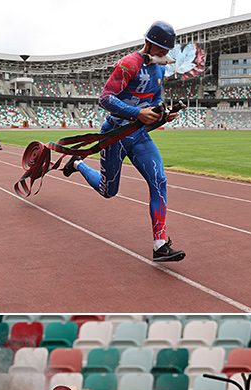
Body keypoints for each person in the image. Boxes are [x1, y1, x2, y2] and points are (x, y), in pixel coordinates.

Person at [62, 21, 185, 263]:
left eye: (167, 51)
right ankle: (77, 164)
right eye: (161, 50)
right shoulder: (128, 64)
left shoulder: (160, 70)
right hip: (114, 135)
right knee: (109, 191)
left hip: (139, 135)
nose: (165, 55)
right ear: (149, 43)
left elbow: (156, 100)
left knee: (159, 180)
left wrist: (164, 114)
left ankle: (159, 245)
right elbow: (105, 98)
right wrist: (136, 113)